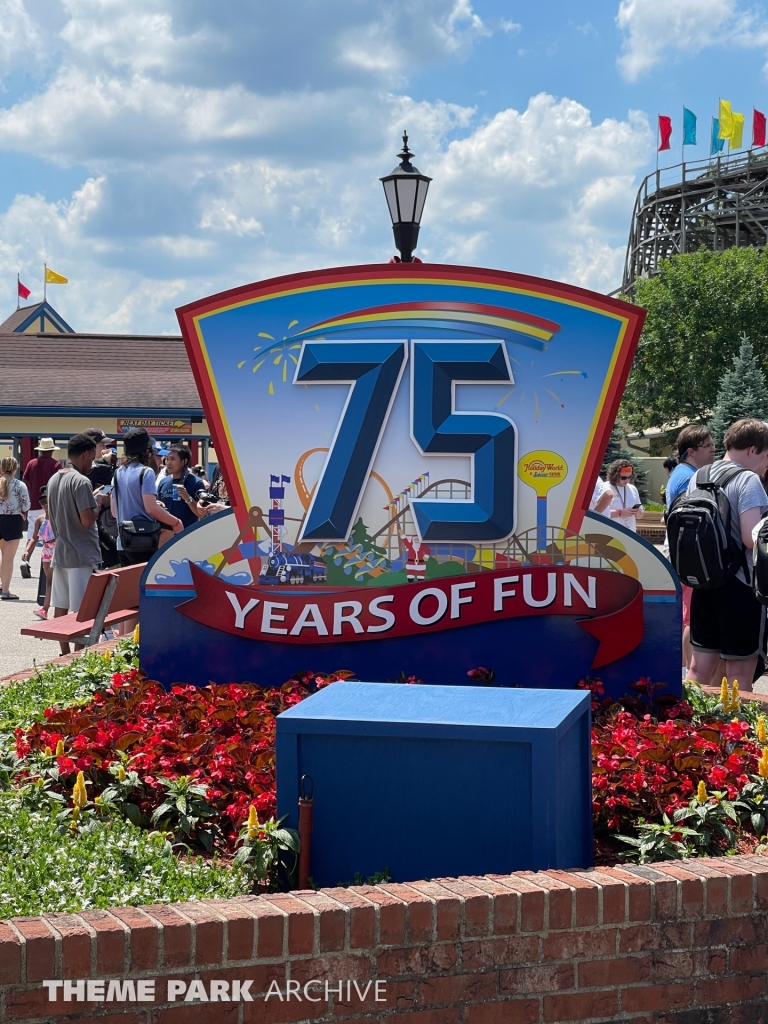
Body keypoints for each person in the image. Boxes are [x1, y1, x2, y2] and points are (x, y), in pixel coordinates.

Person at [686, 418, 768, 692]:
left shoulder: (699, 476)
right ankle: (735, 721)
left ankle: (686, 718)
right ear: (753, 449)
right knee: (739, 674)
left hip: (704, 583)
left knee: (698, 669)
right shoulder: (748, 480)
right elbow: (750, 537)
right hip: (740, 587)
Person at [665, 426, 716, 669]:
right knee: (690, 617)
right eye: (708, 445)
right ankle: (689, 672)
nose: (714, 449)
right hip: (691, 555)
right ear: (691, 451)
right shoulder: (689, 478)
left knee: (689, 614)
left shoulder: (681, 473)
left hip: (684, 553)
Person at [46, 434, 101, 652]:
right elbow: (87, 520)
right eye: (92, 458)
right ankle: (78, 655)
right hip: (81, 554)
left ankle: (63, 653)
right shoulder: (81, 481)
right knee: (81, 611)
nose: (92, 464)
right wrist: (98, 503)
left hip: (61, 552)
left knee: (60, 606)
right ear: (85, 454)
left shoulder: (53, 479)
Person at [112, 428, 182, 565]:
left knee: (129, 579)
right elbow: (151, 509)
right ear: (147, 451)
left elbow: (114, 512)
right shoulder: (146, 472)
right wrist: (176, 522)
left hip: (123, 543)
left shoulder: (117, 473)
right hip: (143, 541)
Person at [0, 457, 30, 600]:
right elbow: (26, 505)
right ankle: (5, 591)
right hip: (12, 521)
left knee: (2, 555)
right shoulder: (19, 485)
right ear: (15, 468)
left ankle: (2, 584)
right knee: (8, 558)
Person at [22, 487, 54, 619]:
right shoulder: (40, 519)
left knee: (55, 580)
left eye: (47, 501)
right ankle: (45, 608)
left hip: (57, 550)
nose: (44, 504)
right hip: (46, 551)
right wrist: (27, 550)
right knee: (49, 580)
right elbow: (34, 538)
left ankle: (47, 608)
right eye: (42, 502)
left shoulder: (59, 517)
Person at [157, 445, 206, 531]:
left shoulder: (196, 483)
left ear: (184, 461)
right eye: (167, 459)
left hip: (188, 533)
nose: (168, 463)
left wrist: (188, 498)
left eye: (172, 459)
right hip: (167, 534)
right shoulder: (163, 482)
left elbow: (201, 514)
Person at [21, 438, 62, 541]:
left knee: (31, 537)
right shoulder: (56, 465)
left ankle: (28, 551)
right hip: (50, 505)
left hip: (34, 504)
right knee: (50, 538)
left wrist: (32, 490)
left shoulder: (31, 463)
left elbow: (25, 481)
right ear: (52, 450)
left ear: (40, 450)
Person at [605, 460, 645, 532]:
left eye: (629, 477)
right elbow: (599, 513)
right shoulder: (605, 488)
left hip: (630, 532)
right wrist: (620, 513)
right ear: (614, 475)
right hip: (610, 533)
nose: (627, 480)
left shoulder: (632, 489)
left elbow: (641, 514)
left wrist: (637, 513)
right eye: (623, 478)